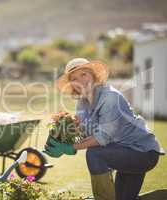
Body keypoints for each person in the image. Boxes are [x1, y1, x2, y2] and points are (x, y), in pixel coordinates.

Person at [44, 58, 165, 200]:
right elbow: (82, 132)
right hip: (121, 151)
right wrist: (63, 131)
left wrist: (70, 147)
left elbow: (102, 137)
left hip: (142, 152)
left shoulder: (110, 97)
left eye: (84, 74)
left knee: (94, 154)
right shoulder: (82, 103)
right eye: (74, 79)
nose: (80, 81)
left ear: (94, 76)